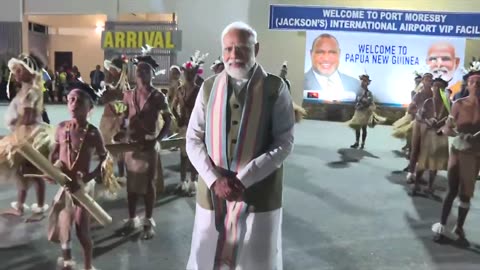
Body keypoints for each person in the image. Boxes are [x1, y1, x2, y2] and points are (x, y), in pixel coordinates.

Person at [186, 21, 295, 270]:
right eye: (228, 49)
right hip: (213, 192)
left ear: (256, 48)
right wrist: (215, 180)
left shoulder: (275, 88)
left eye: (242, 48)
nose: (233, 55)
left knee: (254, 259)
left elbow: (284, 141)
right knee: (207, 255)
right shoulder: (208, 87)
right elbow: (192, 138)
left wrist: (242, 180)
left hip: (258, 193)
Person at [47, 82, 107, 270]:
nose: (73, 104)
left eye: (79, 101)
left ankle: (88, 266)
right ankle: (67, 262)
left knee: (82, 231)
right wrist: (49, 170)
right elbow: (55, 153)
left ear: (89, 108)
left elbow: (105, 160)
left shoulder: (93, 133)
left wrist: (89, 177)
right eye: (70, 100)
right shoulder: (61, 127)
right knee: (64, 226)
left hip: (82, 188)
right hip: (65, 185)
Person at [115, 51, 171, 239]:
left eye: (146, 70)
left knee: (148, 184)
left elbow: (168, 118)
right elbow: (123, 117)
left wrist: (158, 139)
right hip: (131, 146)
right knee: (131, 184)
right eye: (139, 70)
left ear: (151, 74)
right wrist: (121, 132)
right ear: (135, 73)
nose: (142, 73)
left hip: (148, 146)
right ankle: (132, 219)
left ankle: (148, 221)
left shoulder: (158, 96)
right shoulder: (128, 95)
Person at [0, 52, 53, 222]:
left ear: (30, 71)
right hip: (24, 133)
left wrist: (15, 130)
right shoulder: (26, 88)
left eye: (19, 70)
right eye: (15, 71)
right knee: (21, 173)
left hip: (31, 136)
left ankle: (39, 208)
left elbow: (28, 117)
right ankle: (21, 206)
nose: (15, 74)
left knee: (33, 172)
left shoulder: (32, 91)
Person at [431, 63, 480, 244]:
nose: (476, 85)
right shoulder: (458, 105)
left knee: (465, 194)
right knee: (451, 190)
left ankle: (459, 227)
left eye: (479, 83)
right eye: (473, 82)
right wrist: (448, 131)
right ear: (467, 85)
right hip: (458, 152)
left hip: (474, 156)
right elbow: (448, 127)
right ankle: (442, 227)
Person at [171, 51, 208, 195]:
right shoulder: (180, 90)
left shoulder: (200, 90)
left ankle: (193, 180)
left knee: (195, 154)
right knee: (183, 154)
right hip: (184, 126)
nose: (189, 76)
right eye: (187, 73)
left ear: (195, 74)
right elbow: (173, 107)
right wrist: (178, 117)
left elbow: (205, 108)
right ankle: (183, 181)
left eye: (191, 73)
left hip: (197, 126)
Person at [408, 77, 450, 196]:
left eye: (439, 87)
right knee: (423, 161)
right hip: (428, 133)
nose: (436, 89)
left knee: (435, 163)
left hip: (440, 135)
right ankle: (416, 184)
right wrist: (428, 121)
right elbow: (420, 116)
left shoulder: (447, 104)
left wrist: (442, 123)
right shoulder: (428, 102)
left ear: (443, 89)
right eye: (435, 86)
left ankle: (430, 186)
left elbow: (450, 119)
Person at [99, 55, 130, 180]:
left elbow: (123, 106)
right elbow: (103, 100)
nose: (109, 71)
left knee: (120, 148)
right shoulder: (110, 85)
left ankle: (122, 174)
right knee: (105, 147)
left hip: (117, 120)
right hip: (107, 120)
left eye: (112, 69)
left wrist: (110, 97)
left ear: (118, 71)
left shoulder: (123, 87)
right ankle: (104, 173)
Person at [304, 33, 359, 101]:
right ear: (311, 54)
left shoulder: (356, 85)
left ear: (339, 54)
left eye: (332, 52)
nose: (326, 58)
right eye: (320, 52)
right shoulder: (299, 83)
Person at [406, 73, 434, 182]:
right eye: (427, 79)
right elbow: (410, 109)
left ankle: (420, 173)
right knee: (415, 148)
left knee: (425, 150)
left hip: (429, 125)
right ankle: (410, 172)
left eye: (430, 80)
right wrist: (417, 113)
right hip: (418, 123)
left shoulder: (434, 95)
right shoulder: (418, 94)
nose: (429, 81)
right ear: (423, 81)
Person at [346, 74, 385, 149]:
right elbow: (356, 99)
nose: (362, 82)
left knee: (364, 128)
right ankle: (357, 142)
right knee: (357, 127)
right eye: (361, 80)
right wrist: (357, 104)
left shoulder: (368, 93)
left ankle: (363, 143)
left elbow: (369, 102)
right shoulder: (359, 91)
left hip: (364, 112)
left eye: (364, 81)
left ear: (367, 83)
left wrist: (363, 102)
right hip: (358, 110)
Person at [392, 72, 424, 157]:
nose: (417, 81)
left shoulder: (422, 88)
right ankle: (408, 145)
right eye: (416, 80)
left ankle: (413, 147)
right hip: (412, 110)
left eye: (419, 80)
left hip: (417, 111)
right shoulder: (416, 88)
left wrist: (416, 111)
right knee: (408, 130)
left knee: (413, 131)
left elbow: (420, 101)